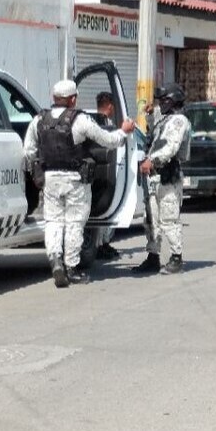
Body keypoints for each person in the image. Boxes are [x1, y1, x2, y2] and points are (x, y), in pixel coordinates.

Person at [23, 79, 135, 288]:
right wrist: (124, 131)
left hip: (50, 180)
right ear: (73, 99)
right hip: (75, 181)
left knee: (53, 222)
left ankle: (56, 261)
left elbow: (29, 150)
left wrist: (37, 171)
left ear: (54, 98)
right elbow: (108, 141)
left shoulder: (38, 120)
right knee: (74, 223)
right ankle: (71, 268)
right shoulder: (80, 120)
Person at [133, 83, 192, 275]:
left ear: (173, 101)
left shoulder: (178, 121)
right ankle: (153, 257)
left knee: (169, 218)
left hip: (167, 175)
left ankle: (176, 257)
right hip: (154, 177)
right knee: (151, 220)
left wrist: (153, 160)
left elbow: (170, 148)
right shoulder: (165, 119)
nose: (160, 105)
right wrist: (150, 114)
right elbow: (155, 131)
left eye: (163, 101)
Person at [93, 91, 121, 260]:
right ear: (110, 106)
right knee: (107, 209)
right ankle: (101, 244)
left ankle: (103, 243)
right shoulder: (105, 124)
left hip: (95, 172)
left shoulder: (90, 121)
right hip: (105, 172)